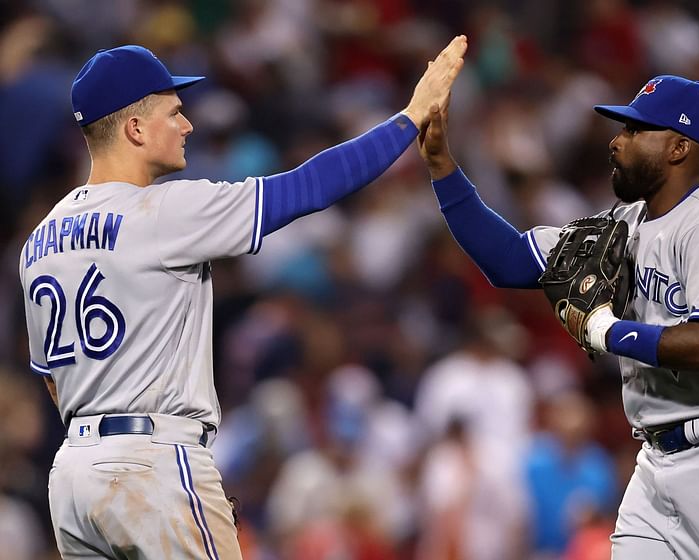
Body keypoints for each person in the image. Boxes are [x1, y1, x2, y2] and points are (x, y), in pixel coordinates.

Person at [20, 37, 466, 559]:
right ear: (135, 128)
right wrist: (410, 117)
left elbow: (51, 380)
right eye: (174, 112)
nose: (187, 125)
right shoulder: (162, 212)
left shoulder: (39, 241)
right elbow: (309, 187)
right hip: (154, 460)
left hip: (73, 474)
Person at [418, 75, 699, 559]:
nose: (616, 141)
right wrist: (442, 166)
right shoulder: (620, 226)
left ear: (678, 148)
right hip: (656, 465)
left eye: (634, 131)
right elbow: (507, 261)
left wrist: (609, 331)